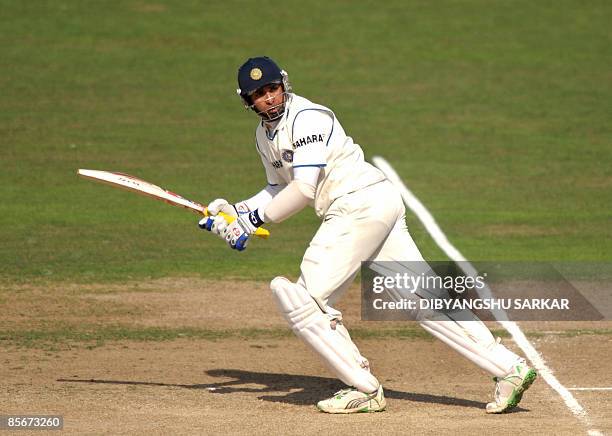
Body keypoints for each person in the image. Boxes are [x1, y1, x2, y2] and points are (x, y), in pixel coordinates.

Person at [199, 56, 537, 414]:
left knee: (303, 299)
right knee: (422, 298)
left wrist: (251, 220)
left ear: (283, 85)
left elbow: (303, 190)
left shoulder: (307, 118)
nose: (268, 97)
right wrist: (235, 211)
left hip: (358, 204)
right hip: (374, 203)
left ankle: (363, 388)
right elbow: (274, 188)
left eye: (272, 88)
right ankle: (509, 369)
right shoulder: (263, 135)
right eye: (258, 94)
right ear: (247, 100)